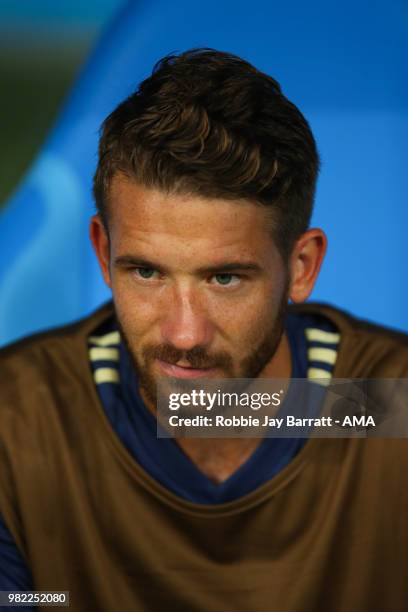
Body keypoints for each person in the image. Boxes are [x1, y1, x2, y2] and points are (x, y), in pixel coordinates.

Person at [0, 48, 407, 612]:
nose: (185, 334)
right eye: (146, 272)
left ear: (302, 266)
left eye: (225, 278)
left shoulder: (391, 411)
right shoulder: (17, 423)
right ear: (102, 251)